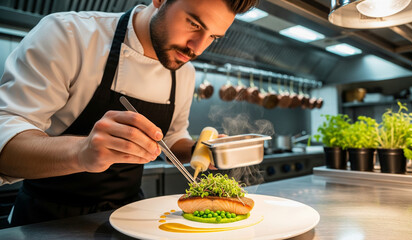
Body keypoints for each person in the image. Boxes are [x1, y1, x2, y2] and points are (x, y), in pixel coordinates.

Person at [0, 0, 258, 226]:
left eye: (213, 37)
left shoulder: (184, 72)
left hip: (128, 216)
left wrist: (198, 150)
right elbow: (6, 145)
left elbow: (170, 138)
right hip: (45, 219)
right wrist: (81, 152)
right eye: (194, 24)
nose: (198, 48)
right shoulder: (69, 35)